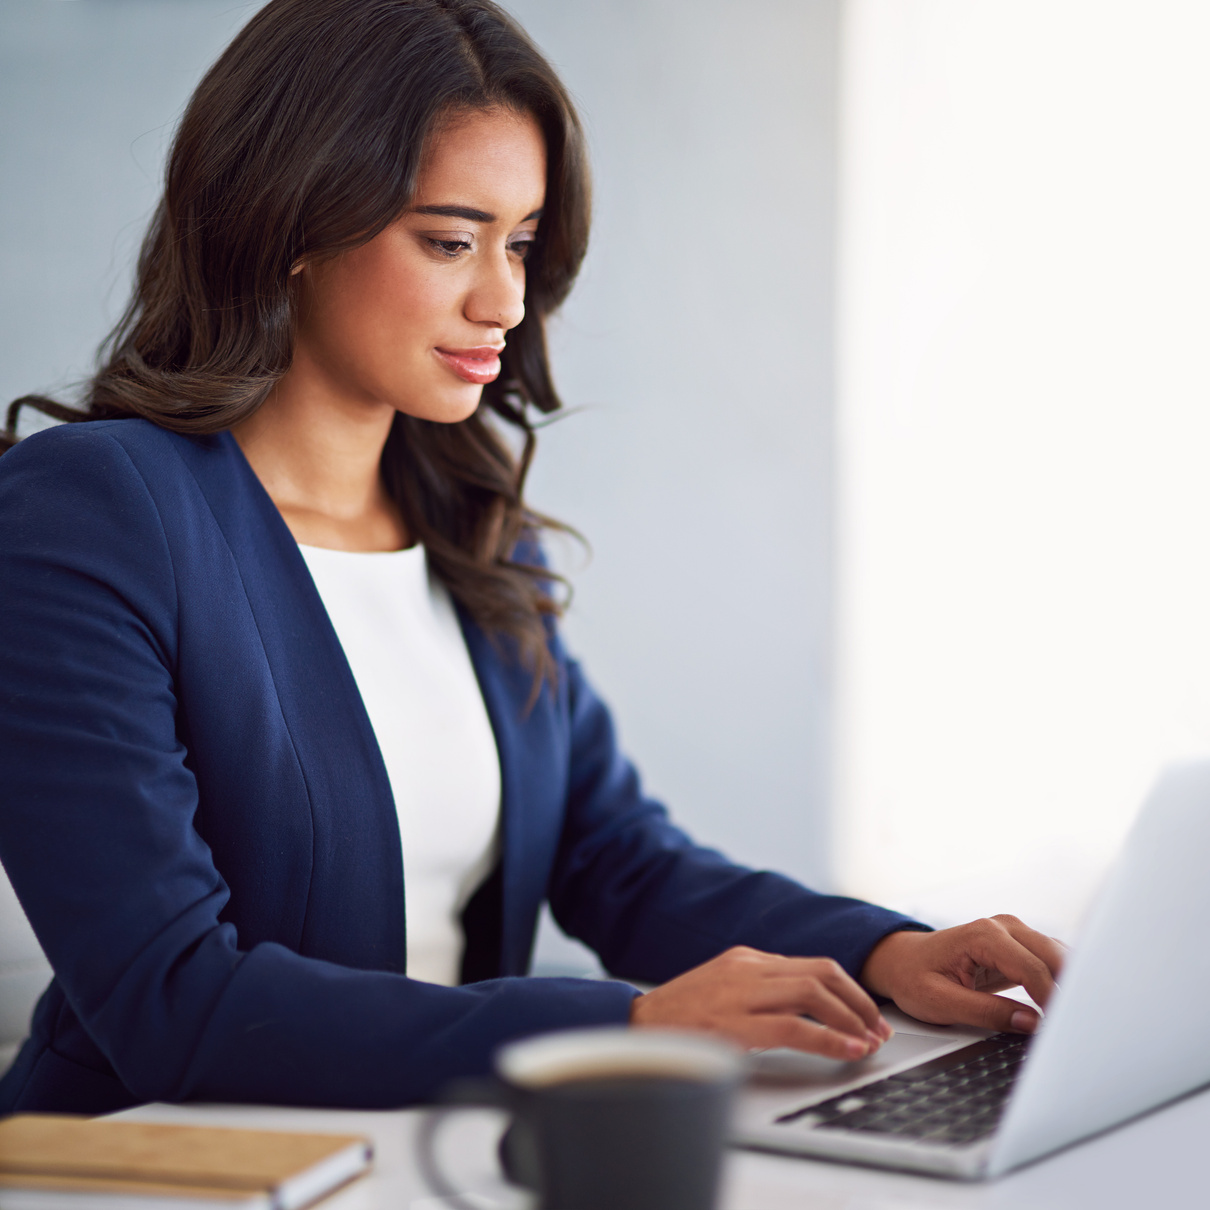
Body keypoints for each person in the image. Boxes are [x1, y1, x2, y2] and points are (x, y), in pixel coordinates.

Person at [0, 0, 1063, 1116]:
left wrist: (889, 948)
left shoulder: (467, 518)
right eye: (450, 240)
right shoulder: (91, 510)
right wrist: (631, 1022)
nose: (503, 297)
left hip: (423, 1154)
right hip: (152, 1169)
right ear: (293, 223)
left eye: (519, 242)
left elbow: (616, 859)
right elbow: (175, 1002)